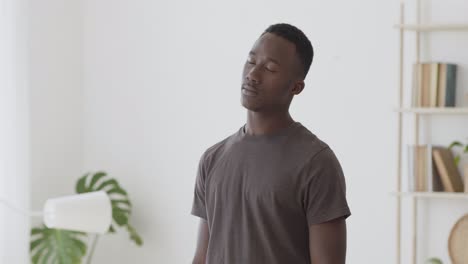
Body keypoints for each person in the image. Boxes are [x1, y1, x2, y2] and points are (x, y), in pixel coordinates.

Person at [191, 23, 351, 264]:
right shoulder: (212, 159)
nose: (253, 74)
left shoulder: (316, 163)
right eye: (251, 61)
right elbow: (202, 258)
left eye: (270, 68)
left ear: (296, 87)